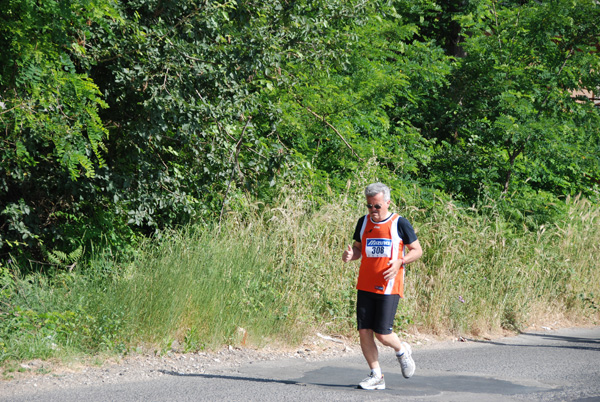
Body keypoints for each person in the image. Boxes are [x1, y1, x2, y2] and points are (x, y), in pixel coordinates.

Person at [342, 182, 423, 390]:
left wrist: (401, 261)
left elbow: (417, 250)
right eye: (369, 206)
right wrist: (352, 255)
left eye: (377, 206)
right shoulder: (363, 222)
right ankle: (376, 375)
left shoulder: (399, 223)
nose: (373, 210)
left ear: (387, 203)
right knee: (364, 331)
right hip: (365, 284)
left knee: (383, 334)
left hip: (389, 286)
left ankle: (402, 351)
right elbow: (359, 249)